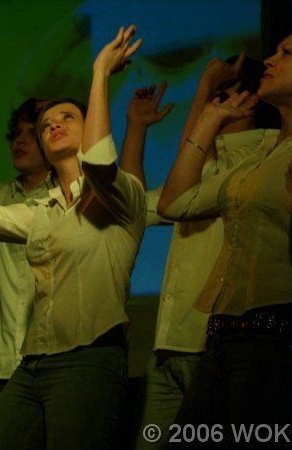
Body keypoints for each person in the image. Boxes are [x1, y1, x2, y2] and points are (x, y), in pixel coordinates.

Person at [0, 26, 145, 448]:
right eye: (45, 125)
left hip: (90, 358)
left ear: (88, 128)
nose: (54, 124)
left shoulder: (121, 195)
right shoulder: (42, 211)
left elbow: (99, 163)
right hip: (31, 363)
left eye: (68, 118)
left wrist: (100, 74)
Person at [134, 55, 281, 449]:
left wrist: (204, 90)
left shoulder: (264, 152)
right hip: (168, 348)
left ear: (250, 100)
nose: (211, 106)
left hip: (217, 348)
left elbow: (183, 192)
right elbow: (146, 206)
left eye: (221, 94)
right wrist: (137, 129)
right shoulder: (213, 163)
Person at [0, 98, 52, 447]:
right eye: (16, 133)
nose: (19, 141)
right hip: (1, 366)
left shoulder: (68, 196)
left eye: (30, 134)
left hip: (50, 365)